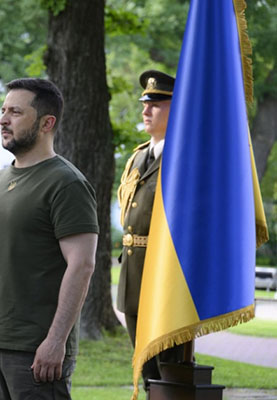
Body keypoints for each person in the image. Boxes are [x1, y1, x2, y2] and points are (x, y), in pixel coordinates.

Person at [0, 78, 98, 400]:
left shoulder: (67, 184)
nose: (3, 120)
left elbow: (82, 266)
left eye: (16, 112)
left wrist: (56, 340)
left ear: (47, 123)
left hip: (35, 351)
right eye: (3, 110)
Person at [116, 70, 186, 389]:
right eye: (145, 103)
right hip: (134, 273)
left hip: (166, 274)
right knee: (146, 368)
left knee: (170, 370)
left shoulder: (185, 158)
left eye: (156, 104)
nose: (146, 110)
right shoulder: (137, 158)